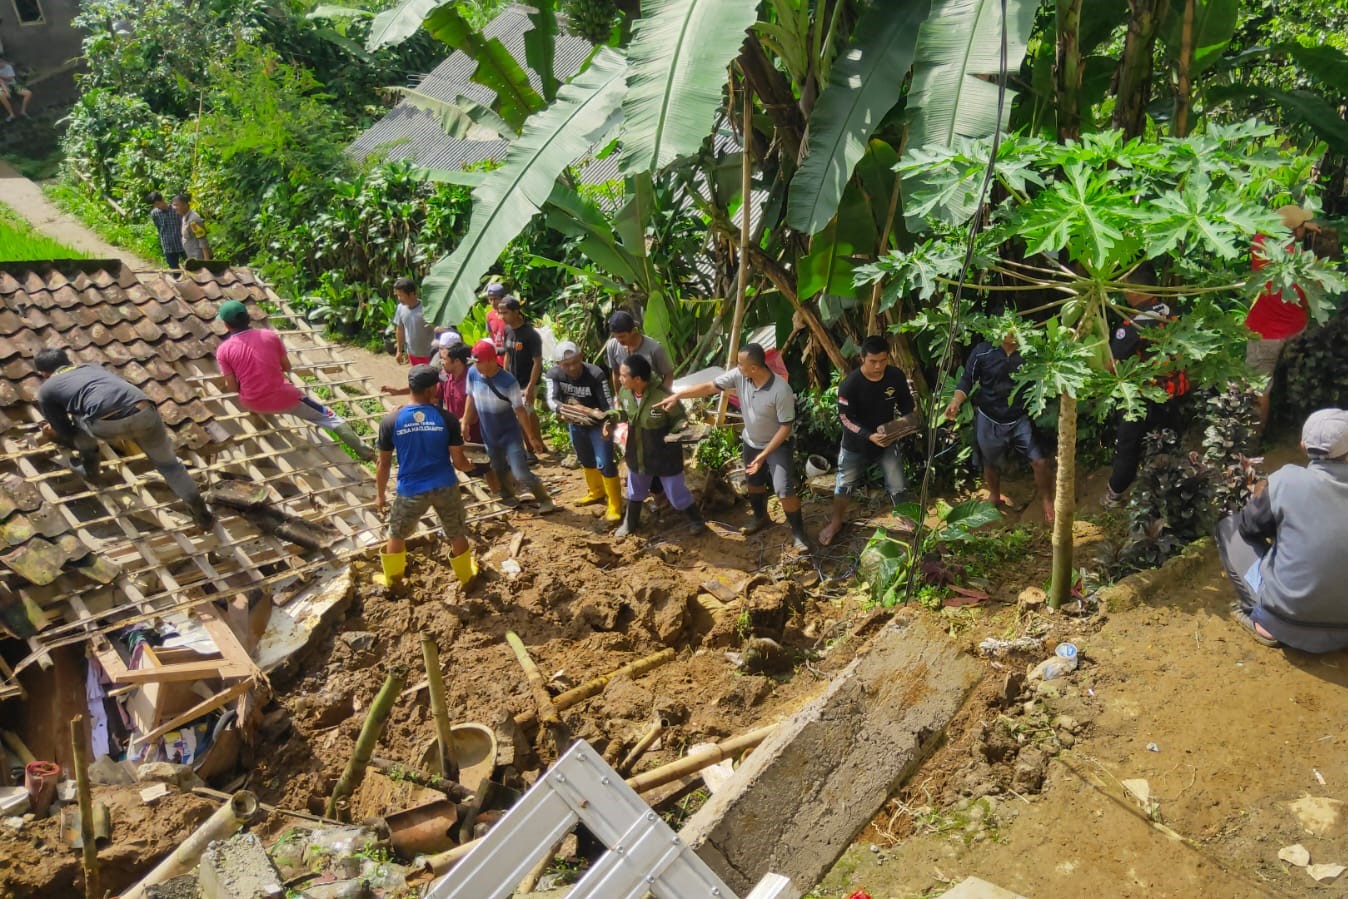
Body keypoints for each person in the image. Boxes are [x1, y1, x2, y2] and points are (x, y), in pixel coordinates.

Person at [1216, 408, 1348, 652]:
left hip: (1286, 621)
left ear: (1303, 446)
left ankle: (1264, 622)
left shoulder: (1286, 481)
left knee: (1229, 526)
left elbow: (1248, 526)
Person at [34, 349, 213, 528]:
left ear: (42, 373)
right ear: (69, 362)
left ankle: (90, 470)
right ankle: (200, 511)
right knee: (170, 466)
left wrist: (57, 435)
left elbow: (66, 431)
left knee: (78, 420)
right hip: (145, 412)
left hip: (108, 424)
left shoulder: (46, 390)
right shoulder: (92, 367)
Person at [662, 342, 808, 550]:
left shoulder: (780, 390)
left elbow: (785, 428)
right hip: (751, 442)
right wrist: (678, 395)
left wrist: (764, 455)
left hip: (777, 445)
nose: (737, 366)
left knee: (783, 490)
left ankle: (799, 533)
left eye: (740, 364)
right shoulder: (739, 375)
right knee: (754, 483)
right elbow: (709, 386)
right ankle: (760, 517)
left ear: (754, 368)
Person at [215, 300, 376, 460]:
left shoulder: (223, 350)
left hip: (253, 403)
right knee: (330, 418)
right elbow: (287, 366)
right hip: (285, 398)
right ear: (248, 318)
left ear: (227, 325)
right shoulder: (269, 336)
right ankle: (365, 452)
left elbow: (233, 388)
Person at [373, 365, 479, 589]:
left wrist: (380, 495)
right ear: (432, 388)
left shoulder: (391, 420)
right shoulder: (447, 419)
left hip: (410, 490)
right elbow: (459, 462)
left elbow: (383, 463)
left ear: (411, 386)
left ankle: (393, 582)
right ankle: (467, 578)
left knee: (396, 534)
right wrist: (471, 466)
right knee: (456, 532)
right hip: (445, 486)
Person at [1101, 263, 1189, 508]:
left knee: (1128, 448)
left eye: (1126, 288)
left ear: (1135, 290)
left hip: (1144, 399)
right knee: (1170, 443)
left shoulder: (1133, 326)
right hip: (1175, 394)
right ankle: (1173, 492)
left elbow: (1113, 366)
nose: (1124, 292)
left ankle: (1114, 494)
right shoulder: (1169, 310)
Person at [944, 330, 1054, 521]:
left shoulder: (1031, 352)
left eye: (1015, 328)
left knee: (1040, 462)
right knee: (990, 462)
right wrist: (956, 401)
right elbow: (967, 379)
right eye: (1006, 328)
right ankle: (994, 496)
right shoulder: (983, 351)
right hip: (989, 417)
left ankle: (1047, 500)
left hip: (1020, 417)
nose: (1011, 333)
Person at [818, 336, 917, 546]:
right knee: (845, 484)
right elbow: (845, 418)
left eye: (883, 360)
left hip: (887, 439)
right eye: (873, 361)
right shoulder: (850, 385)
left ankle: (903, 514)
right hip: (855, 444)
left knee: (897, 482)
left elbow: (906, 404)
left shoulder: (895, 376)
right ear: (862, 358)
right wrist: (869, 436)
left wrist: (906, 422)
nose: (878, 366)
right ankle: (836, 522)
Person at [606, 354, 705, 538]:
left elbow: (679, 418)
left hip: (664, 454)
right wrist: (610, 418)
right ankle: (630, 523)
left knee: (676, 492)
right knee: (635, 490)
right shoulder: (625, 393)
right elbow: (624, 413)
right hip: (638, 452)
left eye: (623, 375)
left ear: (637, 379)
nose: (619, 379)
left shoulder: (663, 395)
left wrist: (681, 426)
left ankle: (696, 520)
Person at [1246, 205, 1319, 435]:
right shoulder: (1306, 265)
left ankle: (1255, 437)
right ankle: (1294, 425)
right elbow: (1317, 290)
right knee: (1293, 378)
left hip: (1264, 333)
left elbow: (1268, 229)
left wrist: (1299, 227)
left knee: (1259, 388)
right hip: (1295, 329)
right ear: (1295, 231)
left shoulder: (1260, 244)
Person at [462, 339, 554, 512]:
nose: (476, 365)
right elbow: (471, 397)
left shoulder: (508, 381)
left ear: (490, 360)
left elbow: (520, 411)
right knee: (498, 468)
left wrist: (532, 437)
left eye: (478, 362)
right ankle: (508, 496)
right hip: (489, 434)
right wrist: (465, 421)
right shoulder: (473, 373)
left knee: (520, 473)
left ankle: (545, 499)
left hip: (509, 435)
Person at [546, 341, 622, 523]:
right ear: (558, 364)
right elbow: (551, 399)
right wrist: (564, 411)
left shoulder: (595, 374)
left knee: (605, 462)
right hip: (575, 423)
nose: (572, 367)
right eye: (566, 364)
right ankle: (596, 491)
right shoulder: (553, 374)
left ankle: (615, 503)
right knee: (585, 458)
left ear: (581, 357)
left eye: (575, 362)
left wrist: (607, 423)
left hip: (598, 424)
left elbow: (608, 405)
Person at [499, 297, 548, 457]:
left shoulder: (530, 334)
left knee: (524, 413)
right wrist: (504, 376)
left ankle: (532, 449)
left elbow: (537, 362)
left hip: (528, 381)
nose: (502, 316)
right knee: (527, 413)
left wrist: (530, 387)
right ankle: (537, 445)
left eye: (505, 312)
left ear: (516, 312)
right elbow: (507, 355)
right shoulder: (507, 330)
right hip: (513, 381)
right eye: (500, 313)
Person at [604, 310, 674, 394]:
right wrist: (618, 396)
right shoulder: (612, 346)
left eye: (622, 336)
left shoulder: (654, 349)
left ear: (633, 331)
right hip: (628, 396)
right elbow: (616, 373)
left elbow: (668, 374)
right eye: (616, 337)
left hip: (651, 393)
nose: (619, 341)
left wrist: (663, 395)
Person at [393, 277, 434, 366]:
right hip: (412, 354)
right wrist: (399, 351)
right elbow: (400, 330)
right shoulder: (400, 308)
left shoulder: (427, 308)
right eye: (398, 295)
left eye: (401, 295)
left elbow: (437, 329)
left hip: (430, 355)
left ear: (411, 294)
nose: (399, 298)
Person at [145, 192, 186, 272]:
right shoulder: (154, 213)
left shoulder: (176, 209)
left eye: (158, 204)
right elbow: (158, 227)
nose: (157, 207)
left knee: (191, 267)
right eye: (154, 205)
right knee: (174, 270)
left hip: (182, 243)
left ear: (163, 199)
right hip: (168, 246)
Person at [171, 194, 211, 262]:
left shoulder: (193, 220)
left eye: (176, 205)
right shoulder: (184, 217)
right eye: (173, 205)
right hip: (192, 257)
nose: (174, 208)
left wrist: (207, 262)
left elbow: (203, 240)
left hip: (200, 259)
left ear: (185, 205)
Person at [485, 283, 509, 362]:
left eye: (495, 299)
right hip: (499, 361)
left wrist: (505, 349)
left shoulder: (512, 315)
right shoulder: (489, 316)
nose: (493, 302)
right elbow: (492, 337)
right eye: (490, 299)